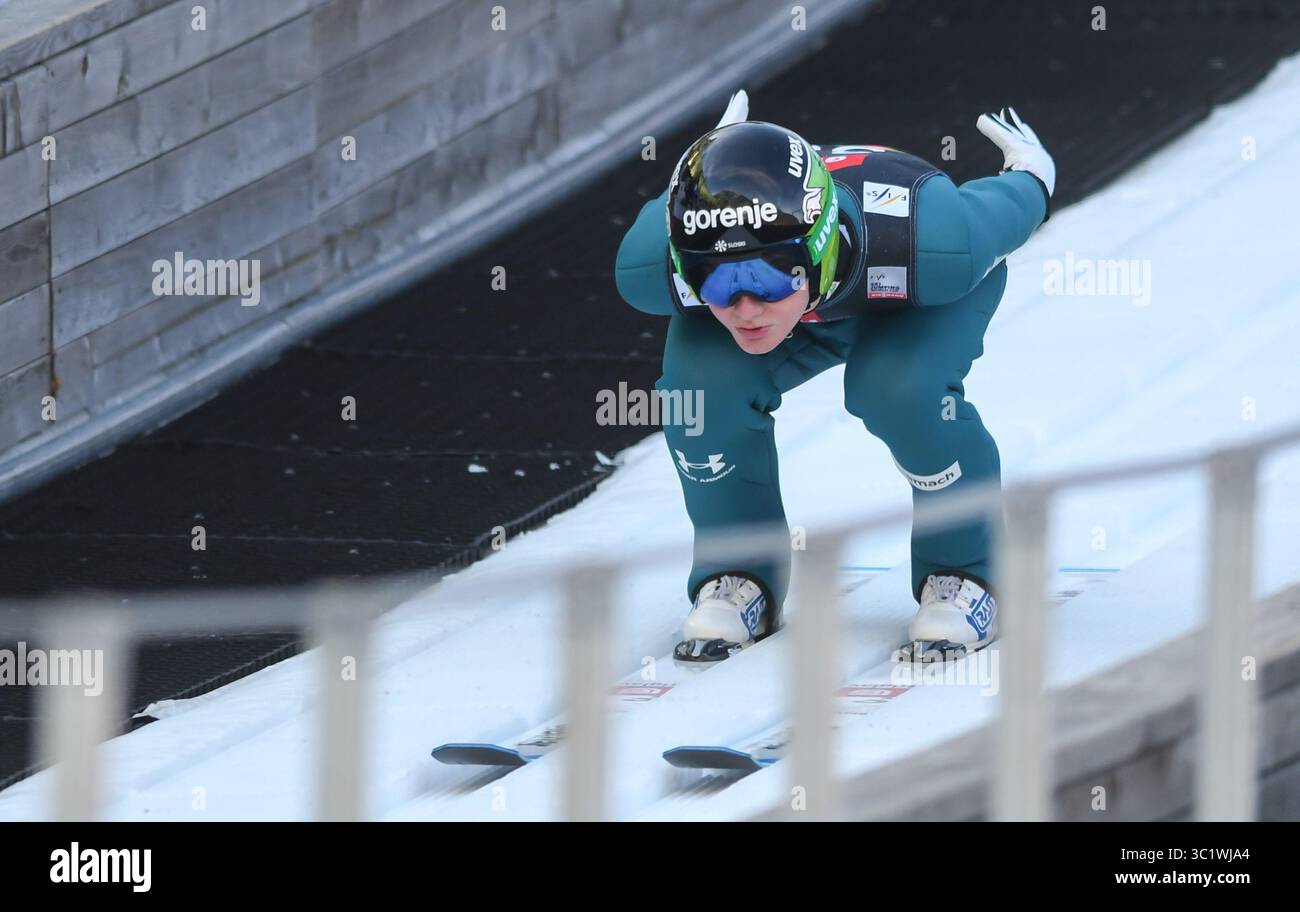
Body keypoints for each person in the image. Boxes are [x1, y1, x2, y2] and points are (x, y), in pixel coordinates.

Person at [614, 91, 1055, 662]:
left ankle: (964, 574)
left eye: (767, 278)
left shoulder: (935, 241)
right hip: (818, 297)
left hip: (912, 295)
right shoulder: (654, 266)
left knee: (898, 390)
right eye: (716, 282)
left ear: (819, 250)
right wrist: (705, 162)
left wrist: (1031, 174)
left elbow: (1013, 205)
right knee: (697, 400)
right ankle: (737, 574)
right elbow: (703, 246)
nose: (745, 307)